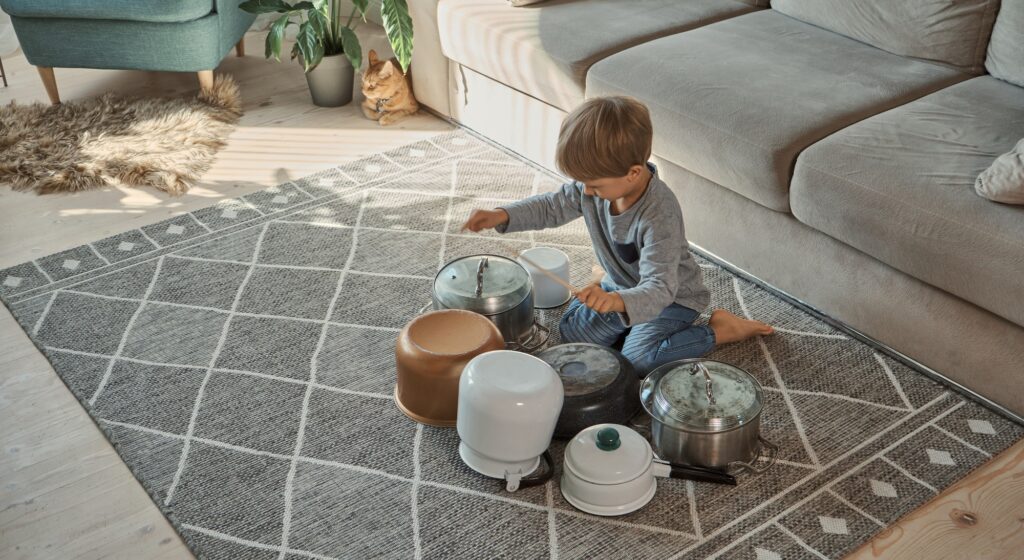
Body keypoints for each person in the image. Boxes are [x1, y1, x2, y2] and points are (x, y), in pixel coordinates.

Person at [461, 96, 773, 374]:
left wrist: (614, 302)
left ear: (633, 173)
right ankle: (611, 294)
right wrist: (503, 214)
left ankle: (719, 330)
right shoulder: (594, 188)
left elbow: (660, 288)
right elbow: (554, 205)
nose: (586, 191)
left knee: (637, 361)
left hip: (670, 298)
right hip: (621, 285)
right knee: (572, 333)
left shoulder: (659, 214)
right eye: (582, 183)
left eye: (594, 185)